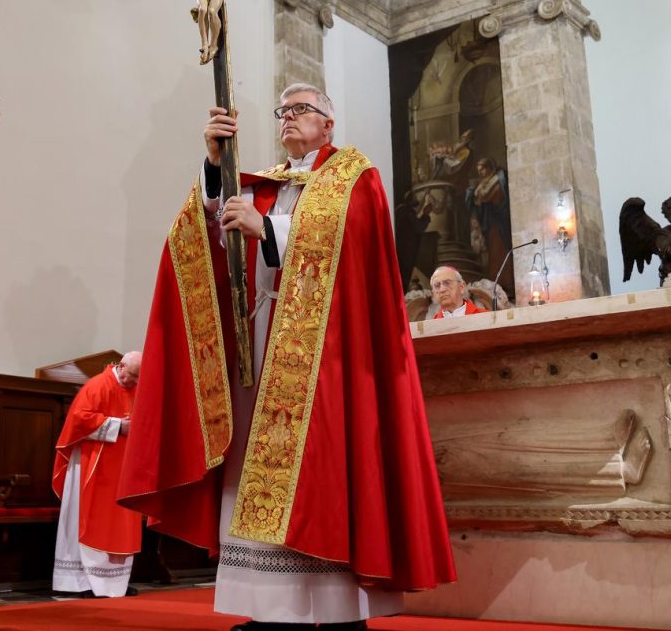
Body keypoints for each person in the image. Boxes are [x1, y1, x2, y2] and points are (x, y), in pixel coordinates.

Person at [120, 84, 455, 631]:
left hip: (326, 360)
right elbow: (206, 233)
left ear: (328, 123)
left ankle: (338, 611)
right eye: (283, 111)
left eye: (301, 109)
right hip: (259, 346)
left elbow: (353, 243)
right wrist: (215, 165)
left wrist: (269, 230)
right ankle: (269, 609)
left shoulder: (354, 176)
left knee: (324, 469)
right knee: (248, 463)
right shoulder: (267, 185)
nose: (289, 118)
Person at [52, 351, 145, 598]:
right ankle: (82, 582)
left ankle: (114, 583)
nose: (134, 383)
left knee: (120, 523)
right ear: (121, 366)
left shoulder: (137, 389)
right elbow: (78, 421)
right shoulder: (97, 386)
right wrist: (118, 425)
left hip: (122, 469)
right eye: (132, 376)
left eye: (139, 379)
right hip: (90, 465)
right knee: (87, 519)